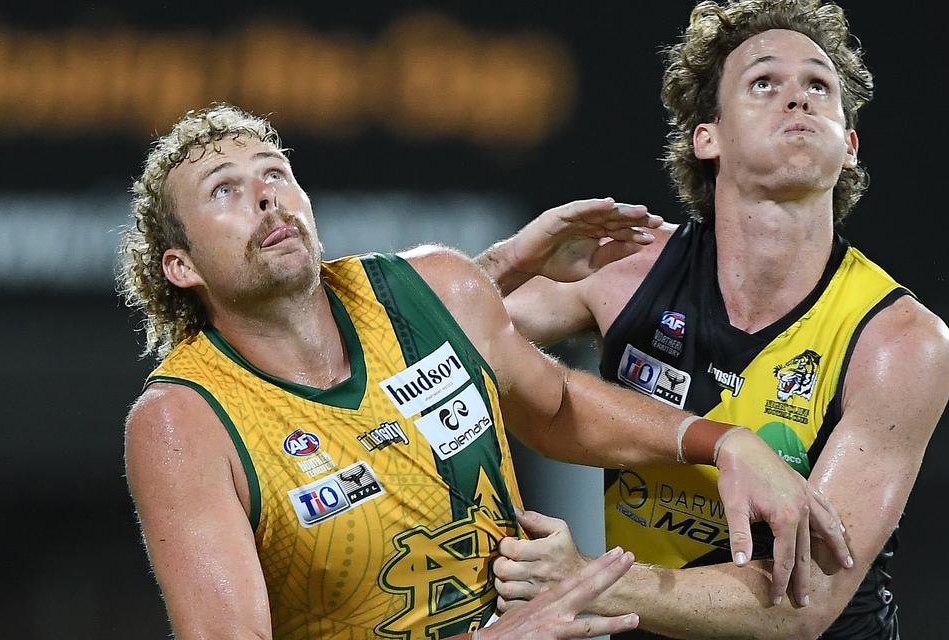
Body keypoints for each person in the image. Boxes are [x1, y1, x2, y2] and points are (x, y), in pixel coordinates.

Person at [117, 104, 853, 639]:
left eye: (275, 174)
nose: (266, 196)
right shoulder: (185, 420)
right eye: (225, 190)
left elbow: (557, 406)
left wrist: (721, 440)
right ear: (179, 267)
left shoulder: (429, 288)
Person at [482, 0, 949, 639]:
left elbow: (804, 609)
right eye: (764, 83)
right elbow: (419, 331)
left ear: (849, 146)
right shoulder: (622, 267)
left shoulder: (898, 342)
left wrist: (586, 579)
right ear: (708, 137)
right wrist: (509, 260)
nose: (797, 98)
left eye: (818, 87)